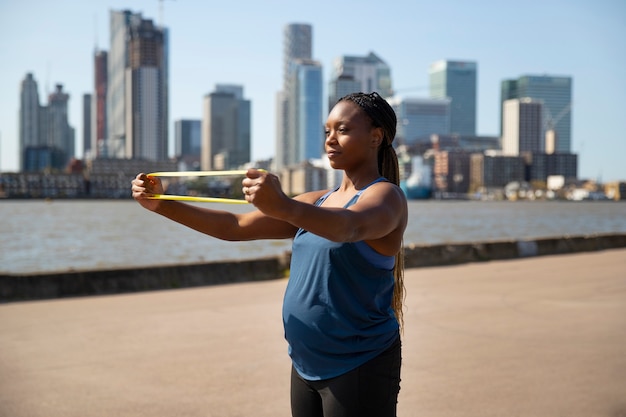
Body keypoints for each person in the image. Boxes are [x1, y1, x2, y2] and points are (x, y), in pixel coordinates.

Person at [131, 91, 408, 417]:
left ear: (376, 137)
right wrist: (163, 205)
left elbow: (349, 227)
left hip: (360, 363)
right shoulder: (317, 200)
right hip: (306, 363)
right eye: (327, 131)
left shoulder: (388, 197)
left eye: (343, 130)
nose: (330, 140)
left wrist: (284, 205)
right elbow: (236, 225)